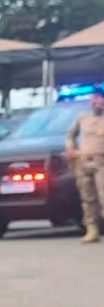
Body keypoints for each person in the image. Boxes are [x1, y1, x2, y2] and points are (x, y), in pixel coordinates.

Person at [65, 88, 104, 244]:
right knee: (87, 198)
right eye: (95, 98)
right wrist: (71, 148)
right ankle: (91, 229)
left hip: (102, 161)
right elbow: (70, 135)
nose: (98, 102)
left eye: (101, 99)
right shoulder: (83, 118)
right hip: (83, 161)